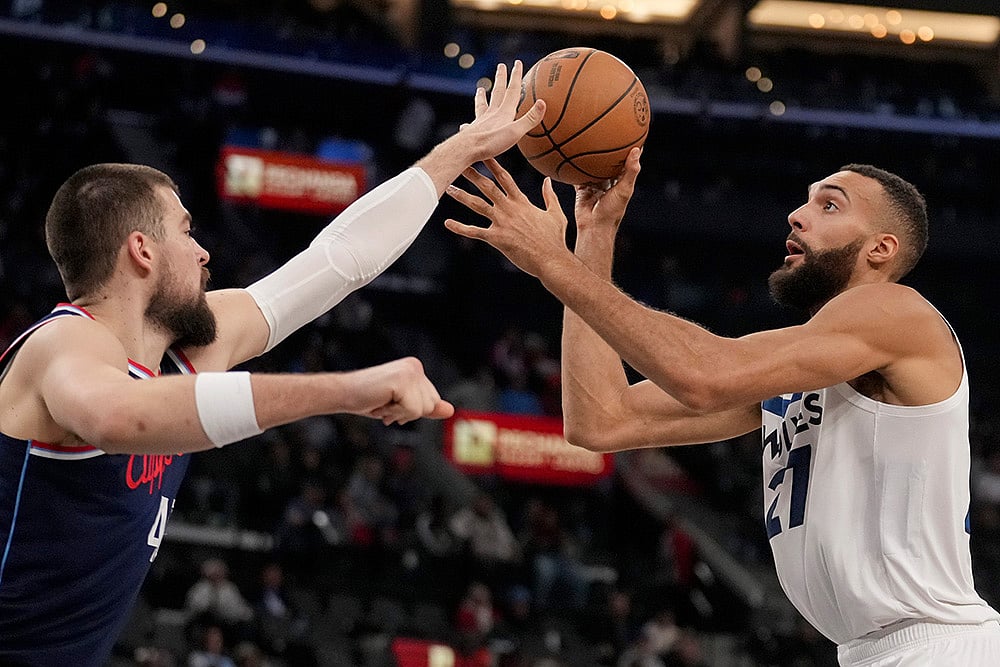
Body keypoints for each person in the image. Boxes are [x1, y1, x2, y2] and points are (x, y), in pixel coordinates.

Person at [0, 61, 545, 666]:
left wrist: (462, 149)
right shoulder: (64, 343)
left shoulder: (186, 346)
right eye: (187, 231)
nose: (205, 252)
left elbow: (338, 259)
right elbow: (117, 418)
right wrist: (345, 390)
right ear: (142, 250)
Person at [444, 150, 1000, 665]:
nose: (797, 216)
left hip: (939, 646)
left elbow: (704, 377)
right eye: (806, 201)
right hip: (871, 651)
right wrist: (593, 238)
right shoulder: (805, 366)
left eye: (829, 205)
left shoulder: (897, 313)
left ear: (881, 248)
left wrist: (552, 262)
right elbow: (601, 419)